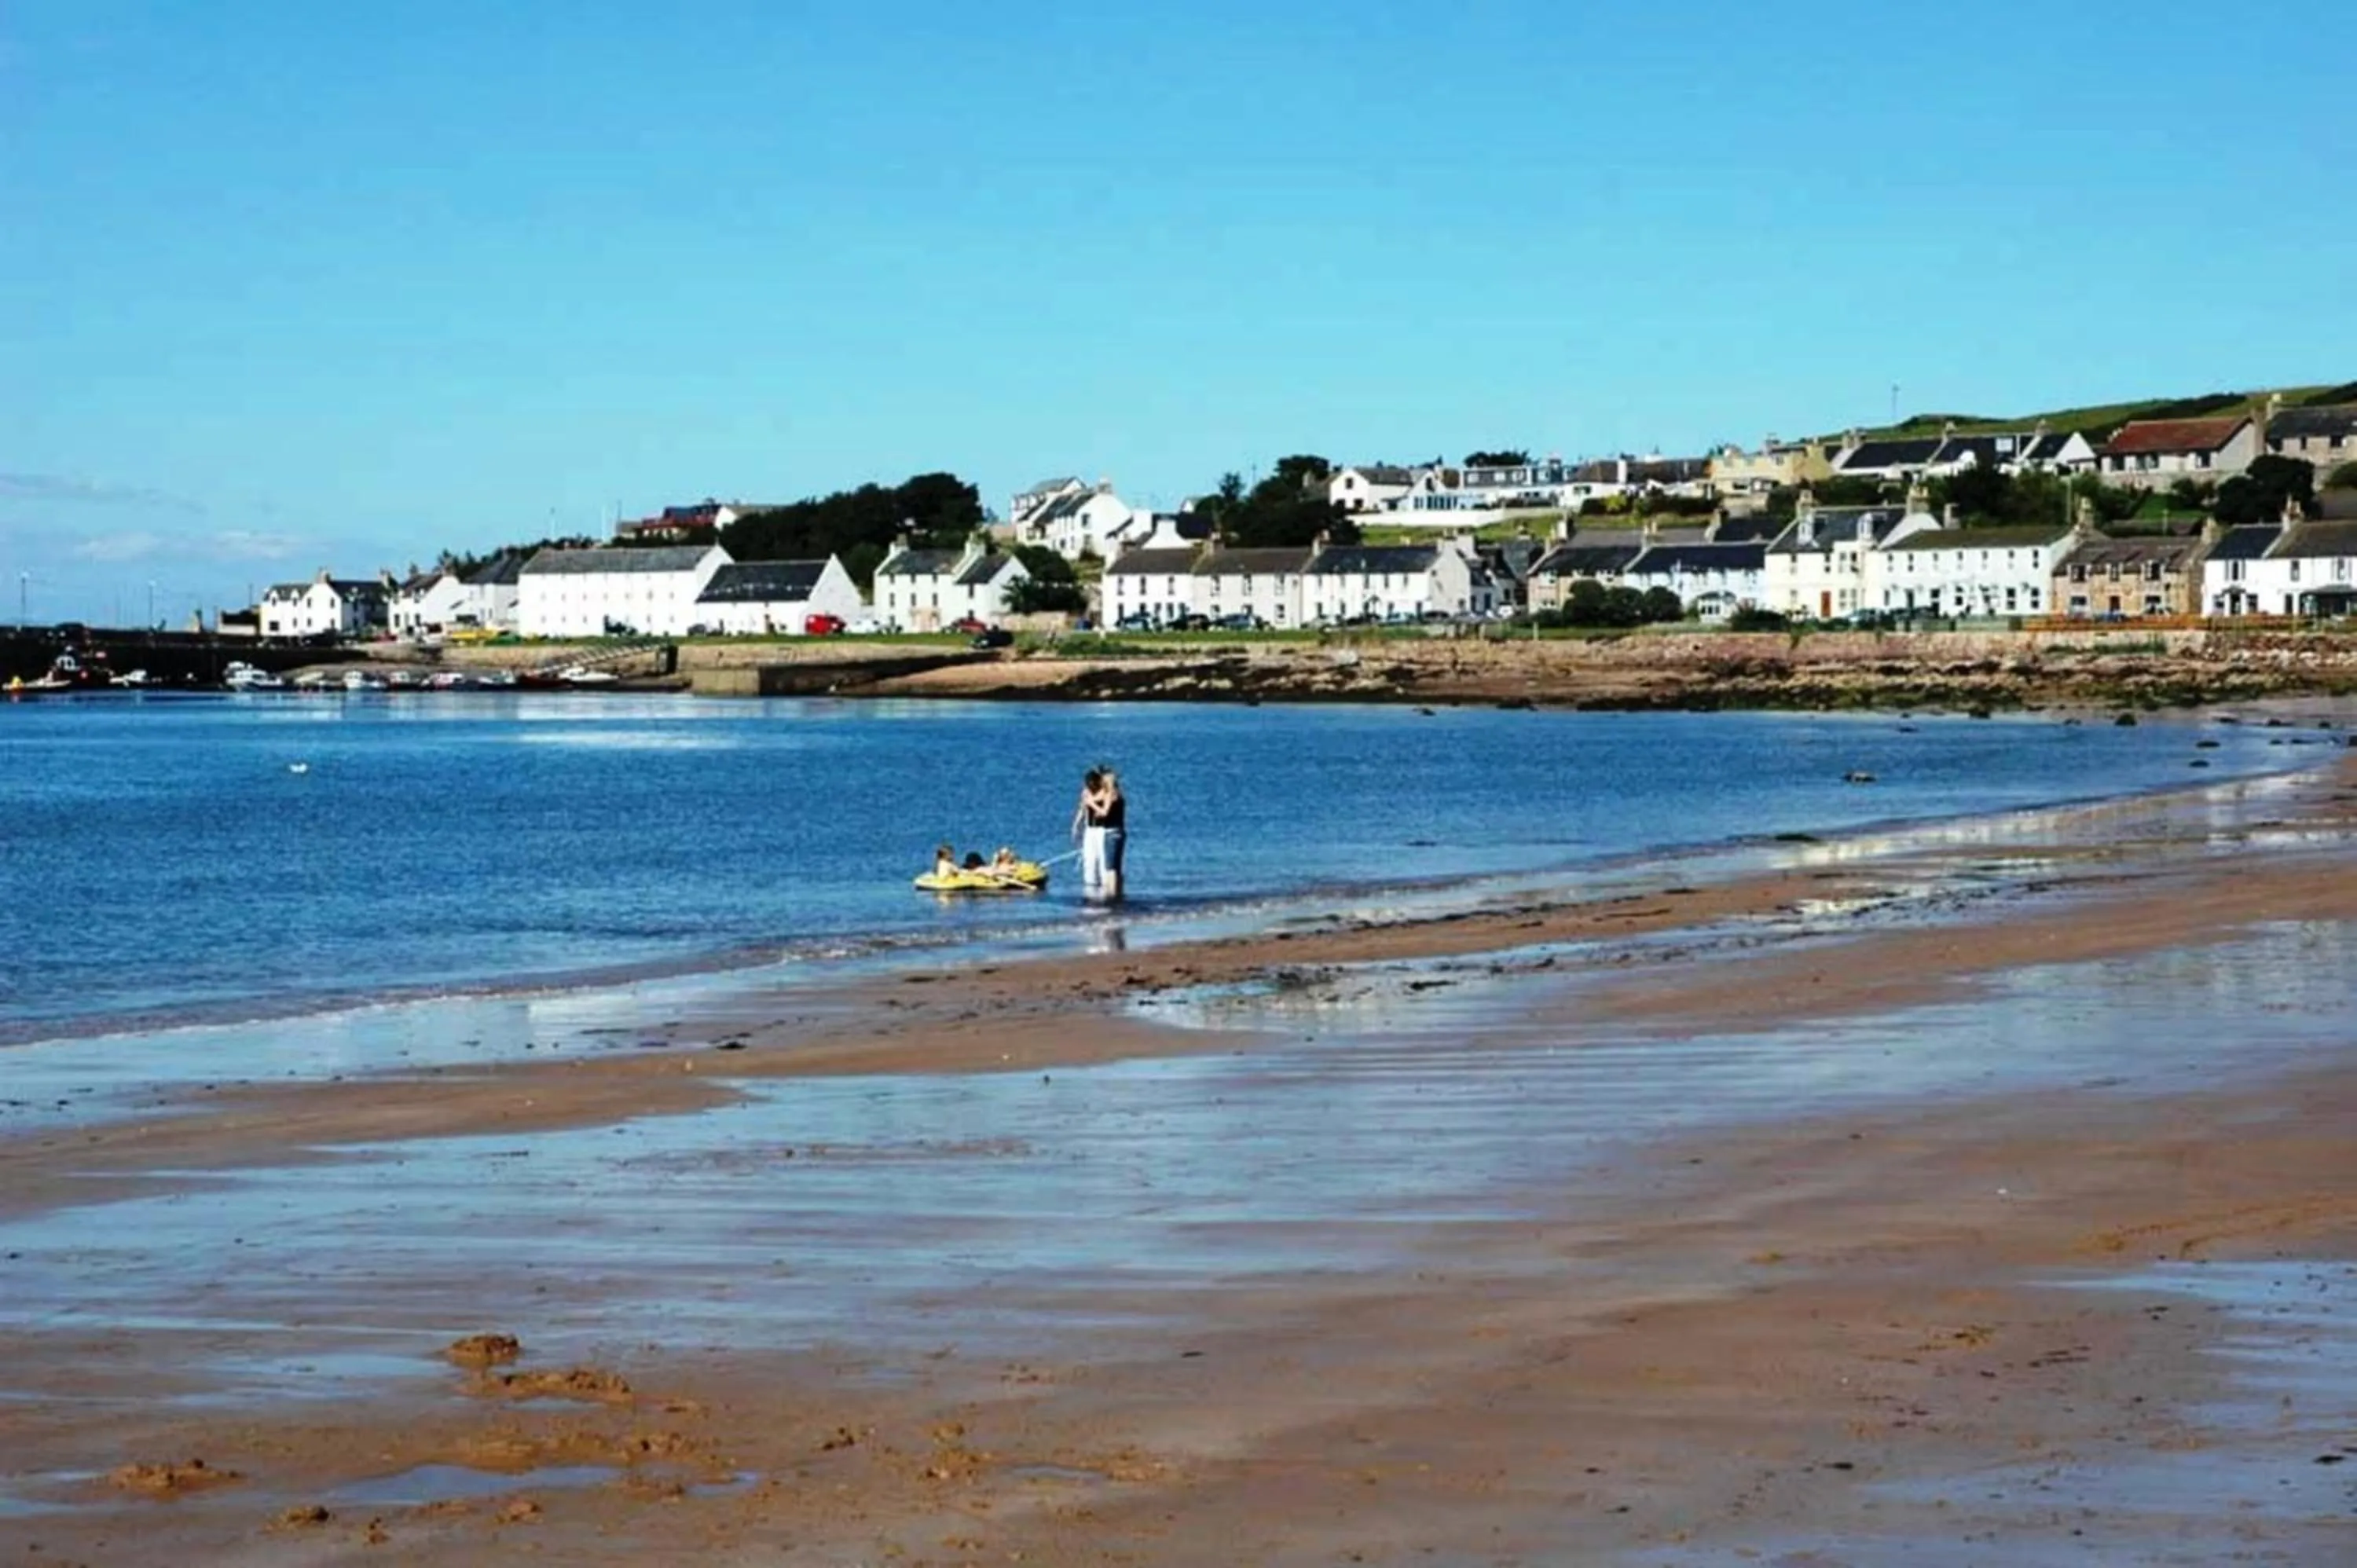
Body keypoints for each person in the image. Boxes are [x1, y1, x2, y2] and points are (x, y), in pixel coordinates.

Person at [1073, 766, 1127, 902]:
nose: (1091, 786)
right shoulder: (1087, 793)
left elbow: (1104, 811)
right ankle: (1092, 888)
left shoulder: (1109, 793)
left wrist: (1092, 804)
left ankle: (1109, 892)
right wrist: (1077, 824)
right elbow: (1082, 808)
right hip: (1092, 828)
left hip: (1104, 829)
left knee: (1107, 864)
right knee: (1091, 860)